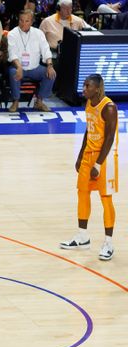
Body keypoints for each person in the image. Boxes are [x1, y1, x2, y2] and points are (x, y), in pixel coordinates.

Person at [59, 74, 118, 261]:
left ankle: (108, 243)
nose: (84, 89)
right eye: (84, 85)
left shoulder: (108, 108)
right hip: (88, 155)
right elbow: (88, 130)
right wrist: (80, 154)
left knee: (105, 198)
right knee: (82, 192)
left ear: (98, 89)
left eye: (87, 86)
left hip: (105, 158)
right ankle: (83, 236)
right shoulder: (89, 103)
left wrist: (98, 164)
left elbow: (109, 138)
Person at [7, 10, 56, 113]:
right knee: (13, 72)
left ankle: (39, 101)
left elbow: (46, 50)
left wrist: (50, 65)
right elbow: (12, 54)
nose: (23, 23)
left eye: (26, 21)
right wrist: (19, 67)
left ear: (32, 21)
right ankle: (15, 101)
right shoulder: (12, 34)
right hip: (18, 67)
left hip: (35, 68)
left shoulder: (38, 33)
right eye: (21, 20)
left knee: (51, 73)